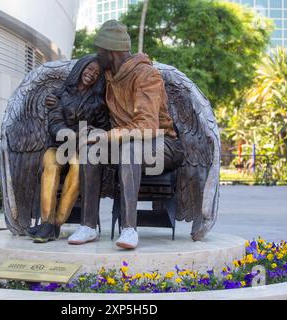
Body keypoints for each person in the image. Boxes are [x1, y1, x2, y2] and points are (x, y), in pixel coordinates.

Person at [67, 20, 184, 249]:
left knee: (131, 149)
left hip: (163, 143)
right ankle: (89, 226)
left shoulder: (146, 75)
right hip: (125, 142)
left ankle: (129, 229)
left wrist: (107, 136)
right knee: (91, 150)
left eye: (99, 51)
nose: (96, 55)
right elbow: (79, 88)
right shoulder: (110, 75)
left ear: (111, 52)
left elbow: (147, 126)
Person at [28, 55, 110, 243]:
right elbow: (55, 125)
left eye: (96, 73)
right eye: (89, 69)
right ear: (81, 68)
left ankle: (55, 225)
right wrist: (81, 133)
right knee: (51, 165)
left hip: (82, 150)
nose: (91, 74)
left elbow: (103, 130)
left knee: (77, 168)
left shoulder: (98, 102)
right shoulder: (59, 94)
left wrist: (89, 135)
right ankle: (46, 222)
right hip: (58, 145)